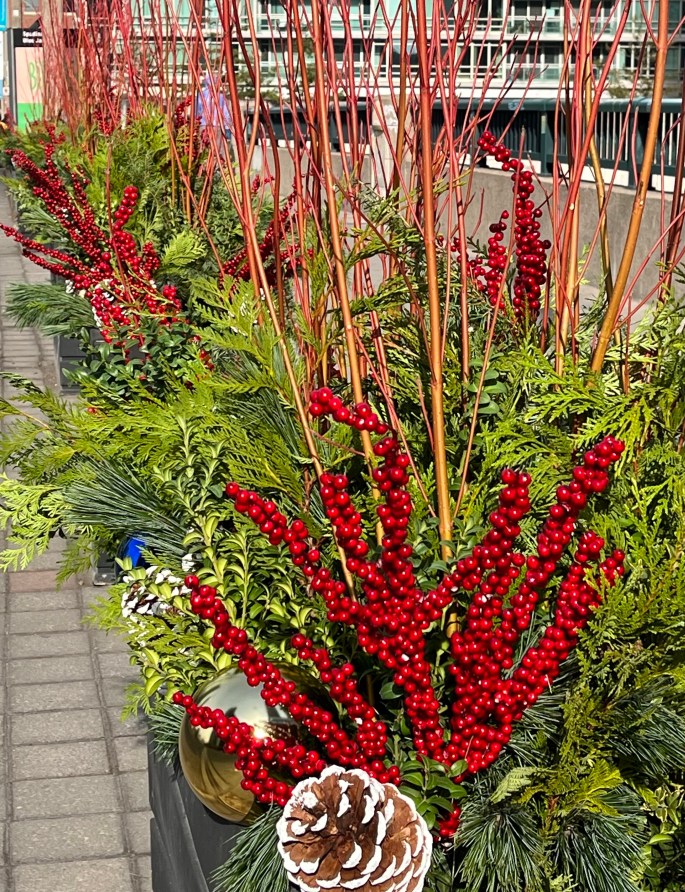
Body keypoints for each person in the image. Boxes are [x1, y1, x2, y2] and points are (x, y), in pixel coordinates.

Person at [196, 71, 233, 157]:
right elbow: (226, 114)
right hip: (218, 127)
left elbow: (196, 112)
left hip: (203, 126)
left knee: (203, 151)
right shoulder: (221, 97)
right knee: (218, 152)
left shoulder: (200, 96)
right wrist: (227, 129)